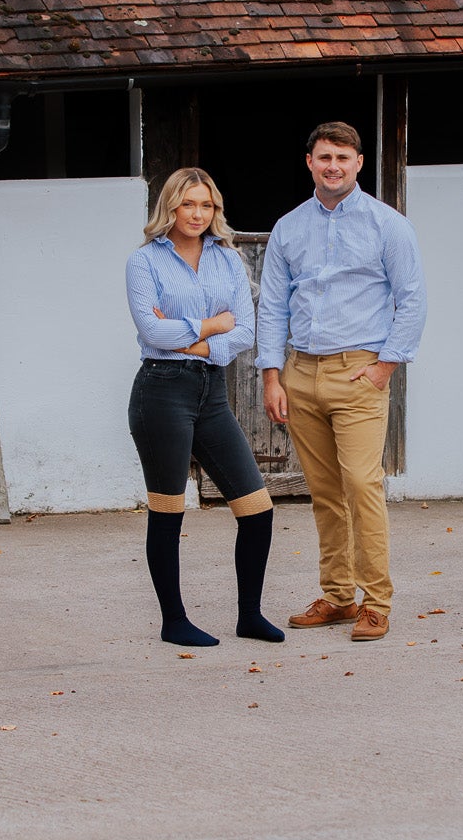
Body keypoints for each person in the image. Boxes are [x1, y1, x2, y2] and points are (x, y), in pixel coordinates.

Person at [257, 122, 427, 643]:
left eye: (343, 157)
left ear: (358, 163)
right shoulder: (288, 228)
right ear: (309, 161)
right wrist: (272, 376)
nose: (333, 166)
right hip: (301, 373)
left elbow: (412, 300)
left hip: (359, 373)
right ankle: (337, 597)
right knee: (325, 492)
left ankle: (376, 602)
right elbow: (273, 305)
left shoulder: (388, 225)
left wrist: (384, 367)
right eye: (324, 157)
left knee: (361, 485)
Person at [124, 168, 282, 648]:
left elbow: (245, 331)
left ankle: (249, 616)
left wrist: (190, 338)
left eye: (206, 205)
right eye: (188, 204)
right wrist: (213, 325)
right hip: (160, 392)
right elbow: (153, 333)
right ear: (170, 207)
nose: (197, 214)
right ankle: (174, 621)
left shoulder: (228, 259)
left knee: (257, 508)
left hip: (211, 393)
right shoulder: (144, 261)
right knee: (168, 510)